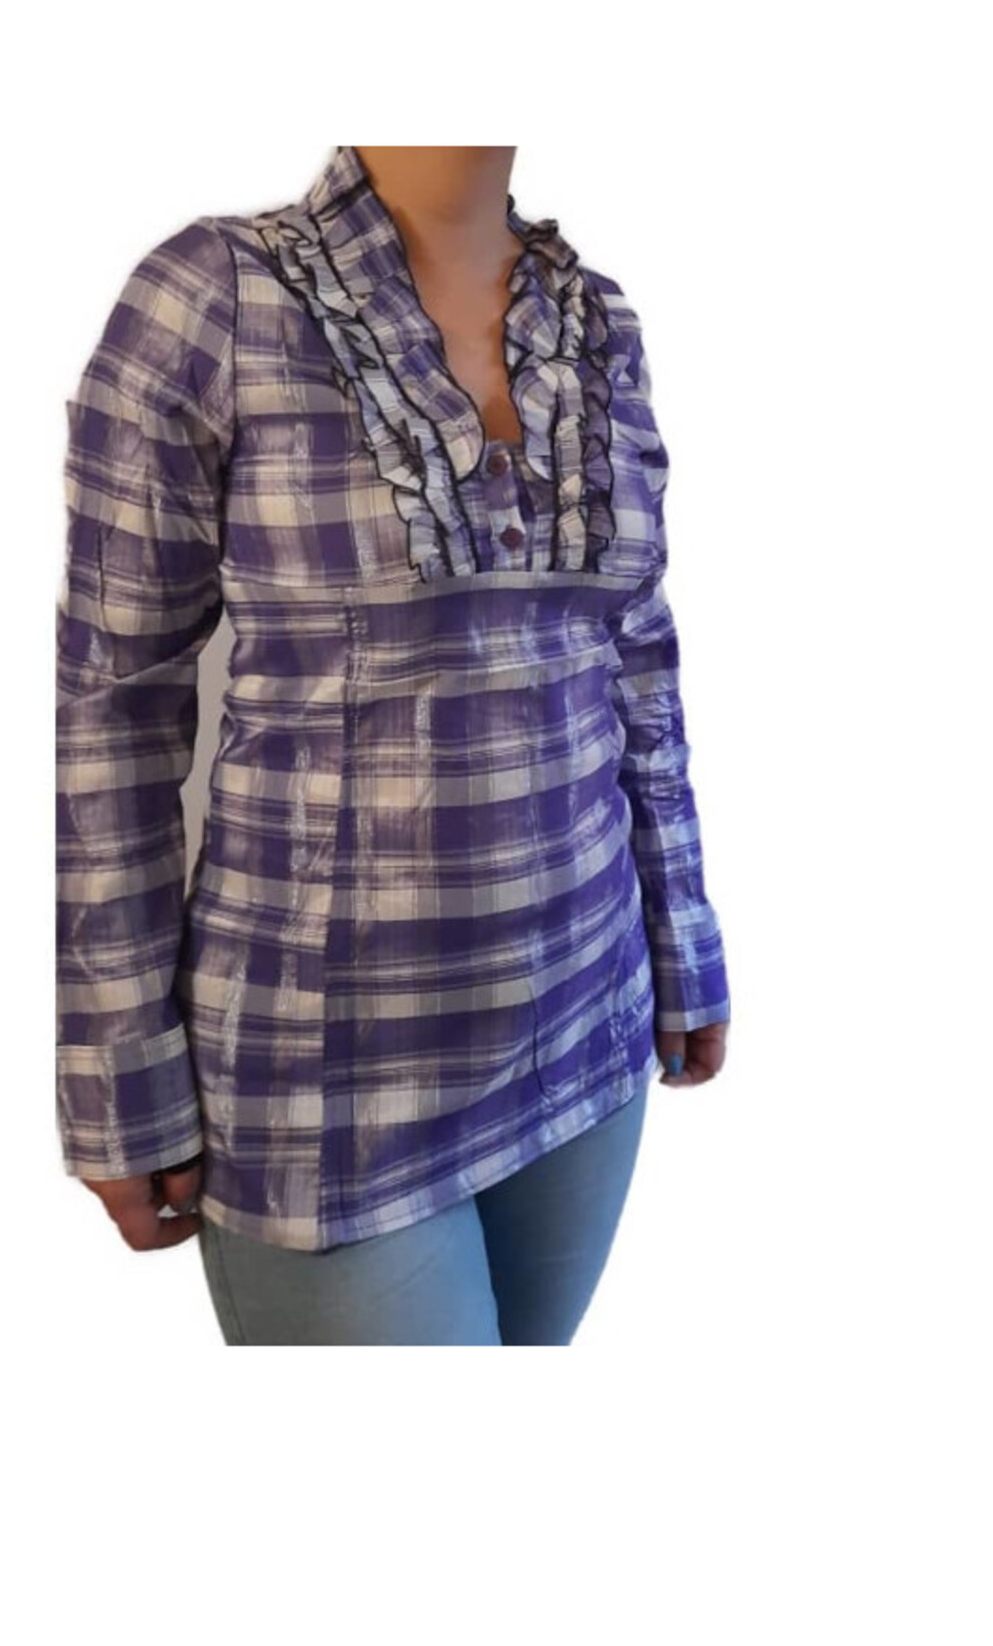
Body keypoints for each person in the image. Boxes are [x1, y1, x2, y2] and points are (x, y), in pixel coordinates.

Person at [55, 144, 731, 1345]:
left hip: (590, 1021)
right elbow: (116, 706)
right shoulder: (212, 296)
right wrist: (120, 1072)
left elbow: (635, 648)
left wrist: (683, 932)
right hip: (325, 1084)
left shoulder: (597, 321)